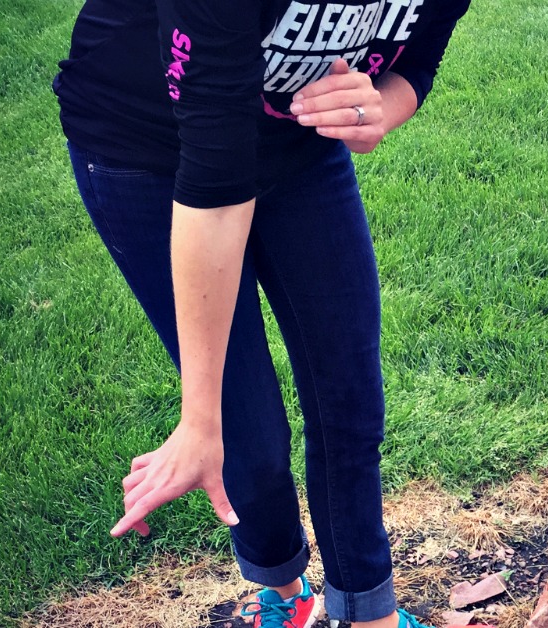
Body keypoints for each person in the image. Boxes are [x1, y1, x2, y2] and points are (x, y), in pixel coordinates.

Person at [53, 0, 470, 626]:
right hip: (142, 150)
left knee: (349, 401)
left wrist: (382, 106)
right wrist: (200, 420)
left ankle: (367, 610)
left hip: (297, 149)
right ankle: (281, 590)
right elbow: (216, 183)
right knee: (246, 434)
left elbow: (419, 58)